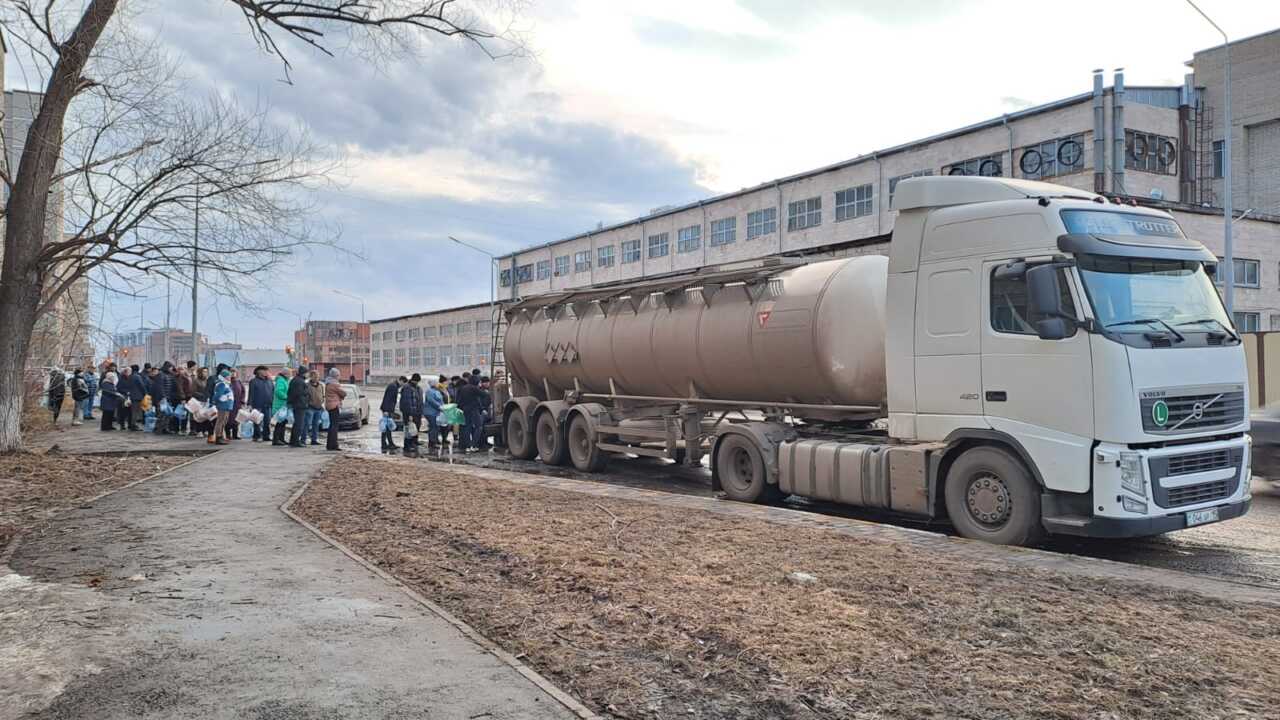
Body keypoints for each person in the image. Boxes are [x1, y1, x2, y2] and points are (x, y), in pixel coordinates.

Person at [456, 374, 483, 452]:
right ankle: (473, 445)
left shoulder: (463, 388)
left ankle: (467, 446)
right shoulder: (474, 388)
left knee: (466, 428)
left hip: (465, 410)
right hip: (474, 410)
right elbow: (484, 395)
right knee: (479, 426)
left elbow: (458, 401)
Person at [379, 376, 405, 454]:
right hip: (387, 410)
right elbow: (388, 399)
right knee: (386, 427)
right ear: (400, 380)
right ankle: (386, 444)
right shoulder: (393, 387)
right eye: (403, 383)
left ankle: (388, 443)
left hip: (387, 409)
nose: (402, 385)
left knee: (387, 427)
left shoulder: (394, 386)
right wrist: (386, 410)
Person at [248, 366, 274, 442]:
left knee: (267, 421)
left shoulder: (269, 381)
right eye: (265, 371)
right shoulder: (253, 381)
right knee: (257, 421)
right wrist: (250, 404)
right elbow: (251, 393)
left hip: (268, 404)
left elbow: (272, 392)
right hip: (257, 405)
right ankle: (257, 436)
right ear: (259, 372)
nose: (267, 372)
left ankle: (266, 435)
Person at [399, 373, 423, 454]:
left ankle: (413, 443)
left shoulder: (417, 388)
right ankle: (407, 446)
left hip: (417, 413)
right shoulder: (407, 388)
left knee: (415, 429)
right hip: (409, 413)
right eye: (417, 381)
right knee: (408, 430)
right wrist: (409, 414)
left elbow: (418, 401)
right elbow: (407, 402)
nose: (417, 383)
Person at [323, 369, 346, 452]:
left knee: (332, 425)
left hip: (329, 405)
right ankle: (334, 445)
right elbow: (343, 393)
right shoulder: (335, 384)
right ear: (335, 376)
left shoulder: (328, 383)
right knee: (334, 426)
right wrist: (341, 396)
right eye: (338, 375)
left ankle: (329, 444)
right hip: (334, 406)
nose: (339, 377)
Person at [287, 367, 310, 448]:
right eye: (307, 373)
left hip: (298, 404)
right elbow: (299, 393)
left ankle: (293, 441)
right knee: (299, 424)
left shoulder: (297, 380)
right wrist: (307, 391)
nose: (308, 374)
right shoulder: (299, 381)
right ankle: (296, 441)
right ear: (303, 373)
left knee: (297, 424)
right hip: (300, 405)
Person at [210, 369, 234, 445]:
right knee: (220, 421)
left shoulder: (226, 384)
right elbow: (217, 395)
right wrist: (215, 402)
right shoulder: (221, 384)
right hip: (223, 405)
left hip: (227, 405)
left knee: (224, 421)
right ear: (224, 377)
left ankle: (221, 436)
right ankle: (218, 437)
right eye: (228, 376)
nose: (230, 377)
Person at [270, 368, 291, 446]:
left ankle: (281, 439)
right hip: (280, 405)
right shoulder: (281, 381)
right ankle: (276, 440)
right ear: (286, 374)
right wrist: (286, 397)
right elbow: (278, 391)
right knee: (280, 423)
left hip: (283, 405)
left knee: (283, 423)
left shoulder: (284, 380)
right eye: (289, 374)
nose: (290, 375)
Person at [118, 366, 143, 431]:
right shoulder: (121, 379)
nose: (128, 373)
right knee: (123, 412)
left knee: (130, 412)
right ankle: (122, 425)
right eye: (127, 372)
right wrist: (126, 392)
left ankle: (130, 425)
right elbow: (119, 388)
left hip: (132, 397)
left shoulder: (132, 377)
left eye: (129, 372)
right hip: (124, 397)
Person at [424, 378, 444, 451]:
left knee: (436, 427)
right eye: (436, 383)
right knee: (433, 427)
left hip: (436, 412)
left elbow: (440, 400)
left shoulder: (437, 391)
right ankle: (432, 442)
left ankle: (434, 441)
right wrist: (439, 406)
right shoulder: (429, 391)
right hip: (430, 412)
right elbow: (431, 401)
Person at [305, 371, 325, 446]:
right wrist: (307, 404)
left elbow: (322, 395)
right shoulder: (307, 385)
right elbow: (305, 396)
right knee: (307, 424)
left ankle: (314, 440)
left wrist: (322, 402)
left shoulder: (320, 385)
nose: (317, 378)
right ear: (311, 377)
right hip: (310, 408)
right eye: (315, 376)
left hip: (318, 408)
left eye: (318, 376)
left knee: (316, 425)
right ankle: (303, 439)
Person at [174, 365, 193, 434]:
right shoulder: (180, 377)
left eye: (183, 369)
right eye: (180, 369)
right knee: (182, 413)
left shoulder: (187, 376)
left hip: (188, 397)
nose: (181, 370)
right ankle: (181, 429)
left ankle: (183, 428)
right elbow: (180, 389)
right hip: (183, 397)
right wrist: (183, 398)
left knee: (185, 414)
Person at [228, 369, 246, 440]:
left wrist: (242, 400)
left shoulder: (238, 382)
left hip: (237, 404)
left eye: (234, 372)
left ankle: (235, 434)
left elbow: (243, 391)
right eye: (231, 372)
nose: (233, 374)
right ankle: (228, 434)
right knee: (228, 420)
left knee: (237, 419)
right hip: (229, 403)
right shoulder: (227, 382)